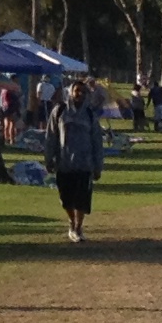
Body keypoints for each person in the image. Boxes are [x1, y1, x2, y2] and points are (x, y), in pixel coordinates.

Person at [51, 78, 105, 242]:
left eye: (83, 91)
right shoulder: (60, 111)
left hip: (84, 164)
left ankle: (78, 227)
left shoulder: (90, 115)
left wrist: (98, 165)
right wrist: (49, 158)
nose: (80, 94)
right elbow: (51, 136)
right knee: (66, 198)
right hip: (64, 163)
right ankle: (71, 220)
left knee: (82, 198)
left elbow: (97, 140)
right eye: (77, 91)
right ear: (70, 92)